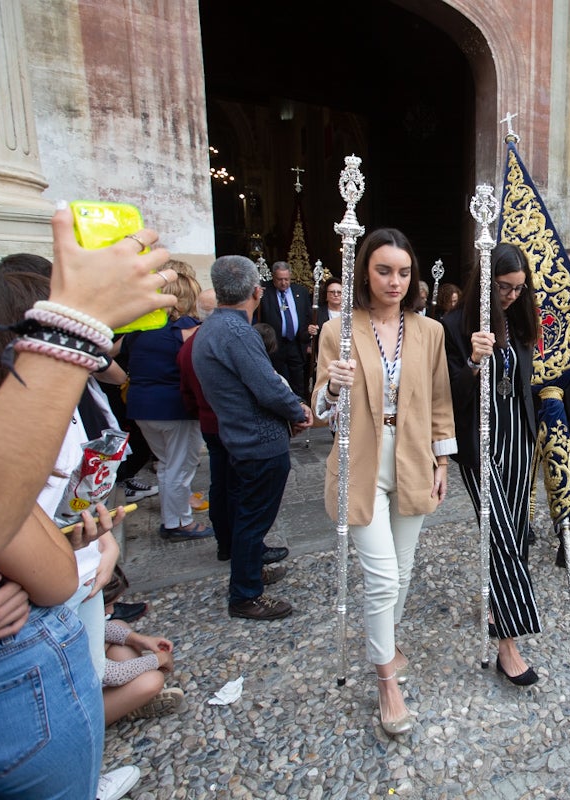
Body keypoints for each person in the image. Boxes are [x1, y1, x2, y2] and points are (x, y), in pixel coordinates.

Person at [0, 206, 176, 798]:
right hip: (22, 686)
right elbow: (46, 573)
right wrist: (73, 326)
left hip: (56, 632)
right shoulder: (15, 422)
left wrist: (89, 540)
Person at [314, 227, 456, 734]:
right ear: (364, 272)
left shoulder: (429, 331)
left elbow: (440, 402)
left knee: (404, 569)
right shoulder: (340, 330)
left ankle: (385, 639)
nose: (394, 281)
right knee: (380, 575)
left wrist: (442, 464)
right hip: (361, 461)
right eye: (383, 270)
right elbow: (318, 410)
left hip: (414, 456)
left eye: (402, 271)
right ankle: (384, 681)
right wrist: (333, 386)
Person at [443, 242, 543, 686]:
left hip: (519, 438)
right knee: (500, 532)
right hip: (478, 444)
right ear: (485, 282)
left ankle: (495, 603)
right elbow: (447, 396)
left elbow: (524, 383)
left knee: (516, 532)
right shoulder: (451, 326)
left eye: (519, 289)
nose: (511, 296)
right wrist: (473, 362)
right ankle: (509, 643)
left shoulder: (520, 323)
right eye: (504, 287)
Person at [192, 256, 312, 621]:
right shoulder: (238, 332)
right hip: (257, 440)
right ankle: (245, 593)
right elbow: (267, 387)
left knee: (247, 514)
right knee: (253, 518)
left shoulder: (212, 328)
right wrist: (298, 410)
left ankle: (249, 568)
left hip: (238, 435)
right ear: (257, 291)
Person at [120, 268, 211, 542]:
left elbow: (113, 354)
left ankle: (174, 515)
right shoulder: (184, 330)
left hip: (141, 406)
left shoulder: (139, 330)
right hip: (174, 409)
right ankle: (177, 522)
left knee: (168, 464)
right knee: (180, 467)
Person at [256, 261, 313, 398]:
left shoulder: (300, 292)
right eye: (279, 279)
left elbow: (307, 316)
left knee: (298, 381)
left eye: (286, 279)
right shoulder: (263, 292)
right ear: (273, 277)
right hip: (274, 344)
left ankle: (300, 407)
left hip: (296, 343)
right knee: (278, 380)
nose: (283, 283)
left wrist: (308, 337)